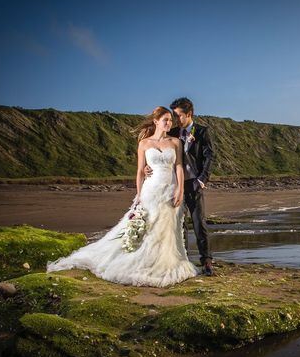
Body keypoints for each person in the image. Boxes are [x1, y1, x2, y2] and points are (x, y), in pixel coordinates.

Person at [47, 106, 197, 287]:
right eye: (165, 120)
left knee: (166, 227)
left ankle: (163, 261)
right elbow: (140, 172)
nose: (169, 123)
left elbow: (179, 167)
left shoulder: (175, 142)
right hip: (151, 189)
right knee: (149, 226)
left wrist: (180, 190)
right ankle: (144, 261)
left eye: (171, 120)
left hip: (170, 188)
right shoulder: (144, 143)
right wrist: (139, 195)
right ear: (156, 121)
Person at [145, 97, 214, 275]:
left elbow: (209, 157)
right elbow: (159, 150)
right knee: (177, 224)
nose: (176, 120)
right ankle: (181, 259)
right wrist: (148, 167)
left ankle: (206, 261)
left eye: (178, 115)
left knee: (199, 222)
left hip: (194, 183)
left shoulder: (202, 132)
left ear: (189, 114)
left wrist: (202, 180)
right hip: (173, 185)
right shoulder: (173, 132)